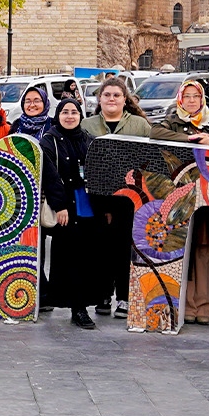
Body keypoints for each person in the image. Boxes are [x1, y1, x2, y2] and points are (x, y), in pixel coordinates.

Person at [80, 77, 153, 320]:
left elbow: (148, 159)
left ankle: (124, 296)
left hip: (128, 199)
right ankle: (101, 295)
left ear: (125, 99)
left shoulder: (140, 125)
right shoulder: (86, 125)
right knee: (100, 248)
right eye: (107, 95)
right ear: (99, 99)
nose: (111, 99)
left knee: (124, 247)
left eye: (116, 95)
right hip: (97, 197)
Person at [156, 79, 209, 325]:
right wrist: (187, 139)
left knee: (203, 251)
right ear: (180, 99)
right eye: (186, 96)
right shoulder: (172, 121)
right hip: (179, 195)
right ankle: (184, 305)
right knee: (180, 247)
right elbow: (155, 133)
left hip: (207, 195)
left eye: (195, 97)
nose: (191, 101)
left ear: (202, 99)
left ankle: (204, 308)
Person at [37, 97, 97, 327]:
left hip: (87, 209)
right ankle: (77, 308)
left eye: (74, 112)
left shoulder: (89, 140)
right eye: (65, 112)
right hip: (66, 209)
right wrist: (59, 205)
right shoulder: (49, 141)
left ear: (80, 115)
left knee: (86, 260)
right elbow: (50, 177)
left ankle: (84, 305)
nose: (70, 116)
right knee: (69, 260)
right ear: (58, 115)